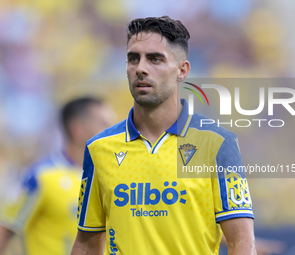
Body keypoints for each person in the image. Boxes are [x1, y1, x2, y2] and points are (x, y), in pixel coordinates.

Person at [71, 16, 256, 255]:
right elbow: (87, 244)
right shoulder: (99, 148)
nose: (141, 68)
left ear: (182, 70)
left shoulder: (217, 143)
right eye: (133, 58)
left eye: (155, 59)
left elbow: (242, 241)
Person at [0, 97, 114, 255]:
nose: (113, 131)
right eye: (104, 124)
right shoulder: (41, 176)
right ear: (77, 129)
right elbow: (3, 232)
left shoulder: (109, 178)